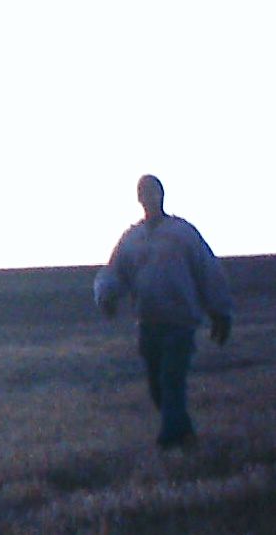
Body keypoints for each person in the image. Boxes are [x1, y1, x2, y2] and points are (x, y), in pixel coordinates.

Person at [94, 174, 233, 450]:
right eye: (143, 192)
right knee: (158, 388)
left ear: (162, 194)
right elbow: (114, 272)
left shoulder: (182, 233)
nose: (148, 197)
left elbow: (208, 271)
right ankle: (185, 436)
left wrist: (221, 312)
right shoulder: (132, 239)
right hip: (148, 322)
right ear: (138, 198)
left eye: (152, 191)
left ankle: (169, 441)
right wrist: (107, 296)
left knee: (171, 381)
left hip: (180, 321)